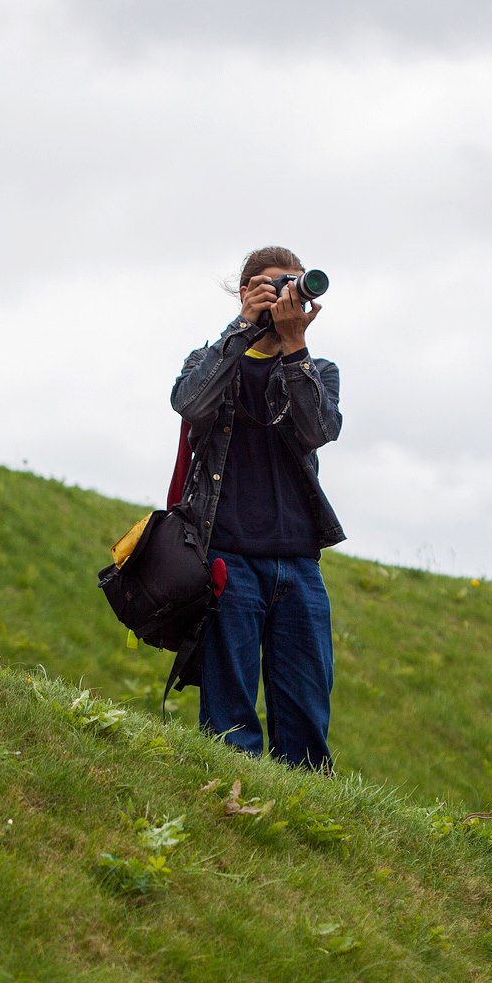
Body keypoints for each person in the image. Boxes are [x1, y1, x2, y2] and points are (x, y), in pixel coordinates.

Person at [168, 246, 345, 772]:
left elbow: (319, 431)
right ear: (246, 291)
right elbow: (189, 403)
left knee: (306, 720)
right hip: (227, 556)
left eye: (291, 284)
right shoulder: (209, 359)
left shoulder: (318, 368)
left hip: (299, 563)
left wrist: (295, 348)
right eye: (269, 285)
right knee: (229, 720)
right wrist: (242, 327)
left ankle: (308, 826)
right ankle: (231, 809)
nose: (282, 294)